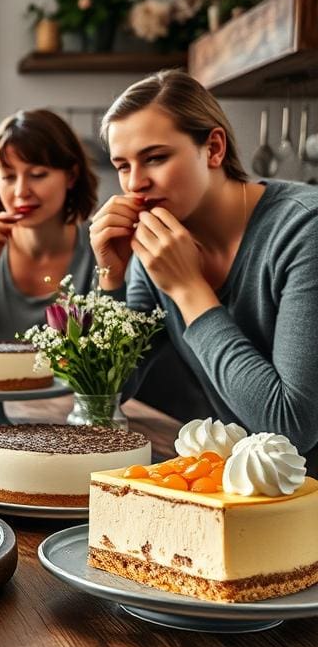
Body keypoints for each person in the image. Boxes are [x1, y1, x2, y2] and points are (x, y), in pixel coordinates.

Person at [90, 69, 318, 465]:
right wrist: (111, 276)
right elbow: (105, 392)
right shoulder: (157, 243)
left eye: (155, 157)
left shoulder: (304, 230)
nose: (135, 184)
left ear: (213, 148)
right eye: (123, 165)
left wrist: (187, 290)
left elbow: (293, 427)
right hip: (240, 489)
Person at [0, 109, 99, 343]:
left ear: (71, 176)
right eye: (8, 177)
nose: (21, 191)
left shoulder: (100, 246)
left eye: (37, 174)